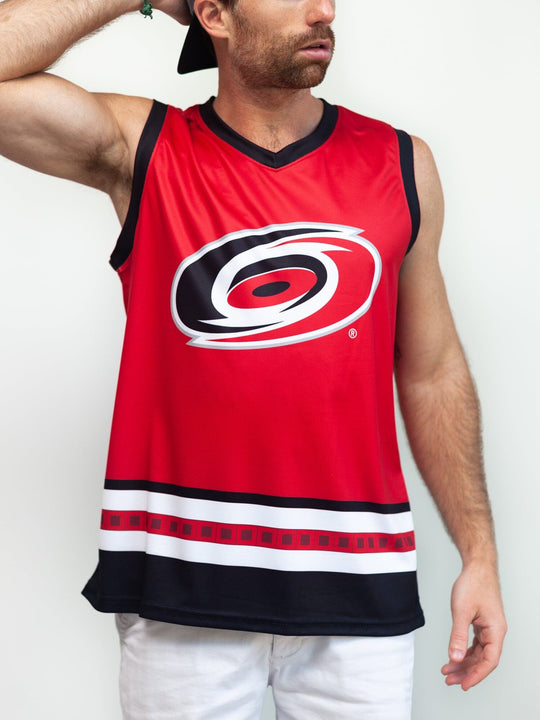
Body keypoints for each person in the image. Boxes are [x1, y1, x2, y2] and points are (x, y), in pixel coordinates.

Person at [0, 0, 507, 718]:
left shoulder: (401, 163)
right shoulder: (144, 148)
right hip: (183, 583)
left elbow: (432, 370)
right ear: (214, 14)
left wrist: (479, 556)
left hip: (357, 584)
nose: (323, 10)